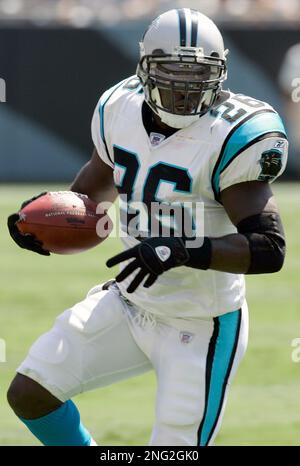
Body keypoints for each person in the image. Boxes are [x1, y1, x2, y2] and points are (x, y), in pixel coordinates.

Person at [7, 8, 288, 446]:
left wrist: (184, 249)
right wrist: (50, 220)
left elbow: (270, 248)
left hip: (201, 324)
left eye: (199, 74)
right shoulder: (118, 107)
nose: (185, 87)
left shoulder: (236, 133)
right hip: (131, 301)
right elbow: (94, 193)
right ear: (145, 69)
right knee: (30, 392)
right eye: (173, 71)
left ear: (221, 73)